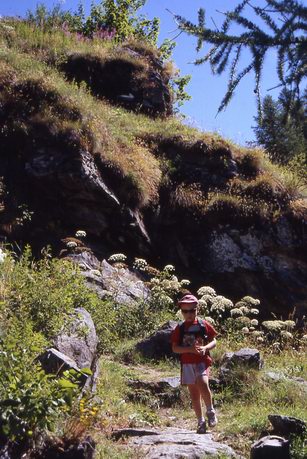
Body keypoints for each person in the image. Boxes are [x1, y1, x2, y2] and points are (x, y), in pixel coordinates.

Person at [171, 294, 218, 434]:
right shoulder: (179, 328)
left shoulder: (203, 325)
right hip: (187, 364)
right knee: (194, 395)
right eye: (185, 311)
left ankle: (210, 410)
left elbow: (214, 340)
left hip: (202, 361)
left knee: (203, 383)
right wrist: (190, 349)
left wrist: (205, 348)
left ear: (197, 309)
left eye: (192, 310)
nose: (189, 314)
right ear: (181, 312)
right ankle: (200, 422)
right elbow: (174, 348)